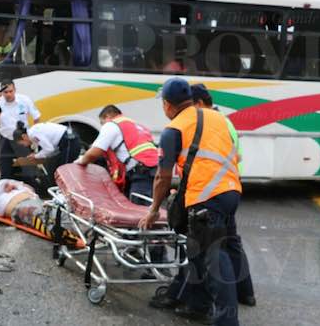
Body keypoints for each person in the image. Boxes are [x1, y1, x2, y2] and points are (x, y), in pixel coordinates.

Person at [139, 77, 241, 326]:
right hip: (231, 191)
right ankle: (197, 305)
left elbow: (163, 177)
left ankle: (227, 322)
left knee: (215, 258)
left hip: (207, 197)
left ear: (167, 104)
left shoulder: (174, 129)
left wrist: (153, 209)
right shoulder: (216, 117)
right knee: (197, 248)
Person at [191, 83, 255, 307]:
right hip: (230, 187)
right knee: (232, 242)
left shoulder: (212, 123)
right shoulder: (225, 121)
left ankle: (217, 303)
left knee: (215, 247)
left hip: (216, 189)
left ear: (199, 103)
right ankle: (246, 293)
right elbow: (238, 155)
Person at [76, 105, 159, 205]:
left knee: (140, 212)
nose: (103, 126)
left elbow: (94, 152)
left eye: (102, 123)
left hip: (141, 173)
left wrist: (81, 161)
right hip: (155, 170)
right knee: (149, 207)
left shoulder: (111, 125)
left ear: (107, 116)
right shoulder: (135, 124)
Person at [0, 179, 77, 244]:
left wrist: (15, 185)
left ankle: (73, 229)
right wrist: (6, 185)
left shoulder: (19, 188)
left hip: (35, 202)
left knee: (55, 211)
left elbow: (28, 188)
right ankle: (59, 231)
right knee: (39, 214)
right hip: (21, 207)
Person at [0, 79, 41, 181]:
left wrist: (34, 137)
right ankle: (6, 187)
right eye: (5, 92)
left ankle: (32, 188)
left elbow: (37, 117)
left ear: (15, 90)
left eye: (11, 91)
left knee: (28, 168)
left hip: (22, 138)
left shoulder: (25, 100)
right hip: (5, 138)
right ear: (2, 92)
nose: (8, 94)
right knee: (4, 166)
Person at [12, 121, 81, 179]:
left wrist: (36, 156)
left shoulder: (33, 134)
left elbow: (49, 149)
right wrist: (38, 155)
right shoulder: (33, 131)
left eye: (22, 143)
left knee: (64, 171)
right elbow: (51, 150)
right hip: (68, 140)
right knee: (60, 169)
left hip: (69, 142)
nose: (25, 145)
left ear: (24, 136)